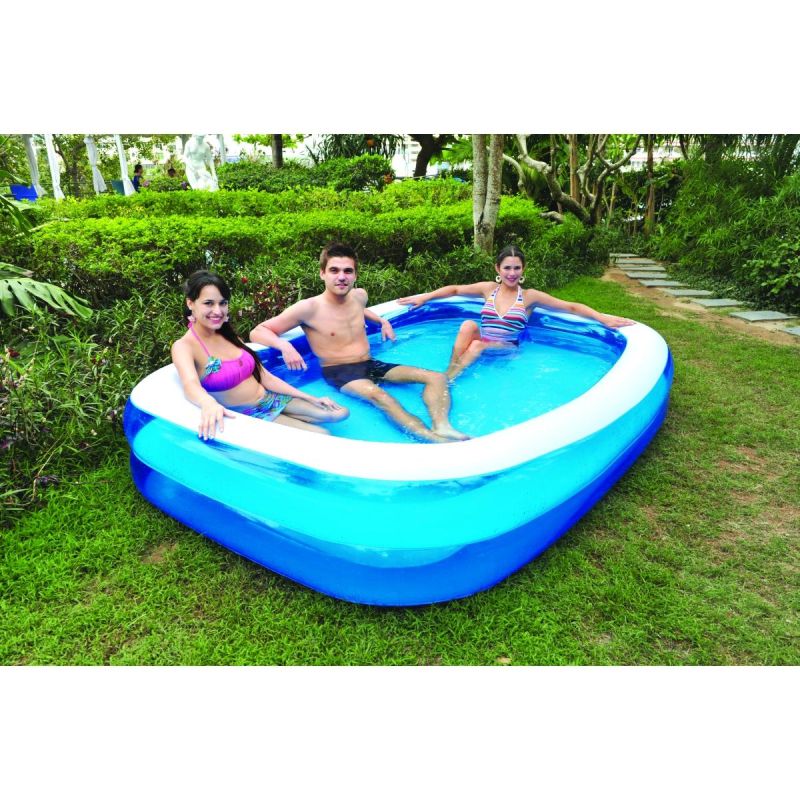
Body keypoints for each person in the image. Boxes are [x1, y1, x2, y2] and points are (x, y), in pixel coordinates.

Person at [249, 243, 468, 443]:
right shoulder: (308, 308)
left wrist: (381, 321)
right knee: (381, 397)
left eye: (348, 271)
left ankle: (442, 425)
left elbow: (359, 310)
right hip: (340, 371)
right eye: (334, 270)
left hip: (370, 363)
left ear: (355, 275)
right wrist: (285, 346)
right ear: (322, 273)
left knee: (437, 377)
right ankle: (431, 439)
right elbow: (258, 331)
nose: (341, 277)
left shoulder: (359, 296)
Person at [397, 244, 635, 381]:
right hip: (485, 342)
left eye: (517, 268)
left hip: (507, 348)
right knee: (468, 325)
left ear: (523, 269)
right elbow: (455, 289)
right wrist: (425, 297)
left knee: (476, 345)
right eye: (507, 267)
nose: (512, 273)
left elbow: (570, 307)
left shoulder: (529, 297)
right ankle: (449, 371)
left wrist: (601, 317)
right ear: (497, 268)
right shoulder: (488, 289)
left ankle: (448, 381)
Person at [172, 271, 348, 440]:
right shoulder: (184, 346)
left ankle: (292, 421)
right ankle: (289, 425)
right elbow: (190, 384)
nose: (218, 311)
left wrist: (309, 397)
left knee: (340, 413)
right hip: (249, 414)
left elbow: (264, 376)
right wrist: (208, 403)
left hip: (269, 399)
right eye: (209, 303)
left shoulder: (230, 337)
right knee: (322, 435)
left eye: (223, 303)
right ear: (190, 303)